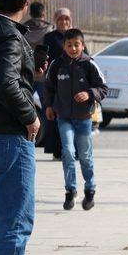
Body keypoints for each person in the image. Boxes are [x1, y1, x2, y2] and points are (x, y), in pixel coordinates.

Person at [0, 0, 51, 255]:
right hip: (9, 139)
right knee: (14, 221)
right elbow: (4, 83)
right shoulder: (10, 37)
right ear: (25, 3)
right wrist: (31, 116)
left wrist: (32, 72)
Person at [45, 29, 107, 211]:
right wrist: (49, 106)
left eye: (76, 45)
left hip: (84, 118)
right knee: (68, 152)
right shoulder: (57, 65)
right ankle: (70, 190)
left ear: (83, 45)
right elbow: (48, 88)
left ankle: (90, 189)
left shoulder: (89, 65)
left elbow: (103, 88)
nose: (73, 48)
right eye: (69, 45)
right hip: (63, 117)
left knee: (85, 156)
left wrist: (89, 94)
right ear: (64, 46)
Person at [42, 8, 77, 160]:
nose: (64, 22)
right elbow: (45, 58)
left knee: (75, 118)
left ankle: (74, 150)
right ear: (56, 21)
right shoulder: (50, 37)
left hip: (75, 83)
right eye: (60, 19)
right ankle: (58, 151)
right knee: (56, 117)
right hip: (56, 83)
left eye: (66, 19)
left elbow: (86, 56)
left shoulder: (76, 35)